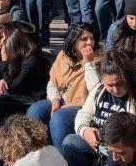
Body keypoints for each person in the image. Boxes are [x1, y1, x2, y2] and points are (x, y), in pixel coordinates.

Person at [26, 23, 97, 151]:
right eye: (84, 39)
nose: (89, 43)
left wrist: (89, 63)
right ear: (73, 41)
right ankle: (37, 152)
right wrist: (54, 99)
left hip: (82, 106)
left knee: (59, 117)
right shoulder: (63, 56)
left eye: (91, 38)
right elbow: (52, 81)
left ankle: (61, 161)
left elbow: (96, 92)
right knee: (35, 110)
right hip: (61, 100)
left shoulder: (98, 59)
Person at [0, 29, 51, 127]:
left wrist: (4, 59)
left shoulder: (32, 60)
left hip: (32, 98)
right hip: (22, 91)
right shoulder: (24, 56)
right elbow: (12, 76)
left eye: (8, 50)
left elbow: (12, 86)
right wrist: (3, 80)